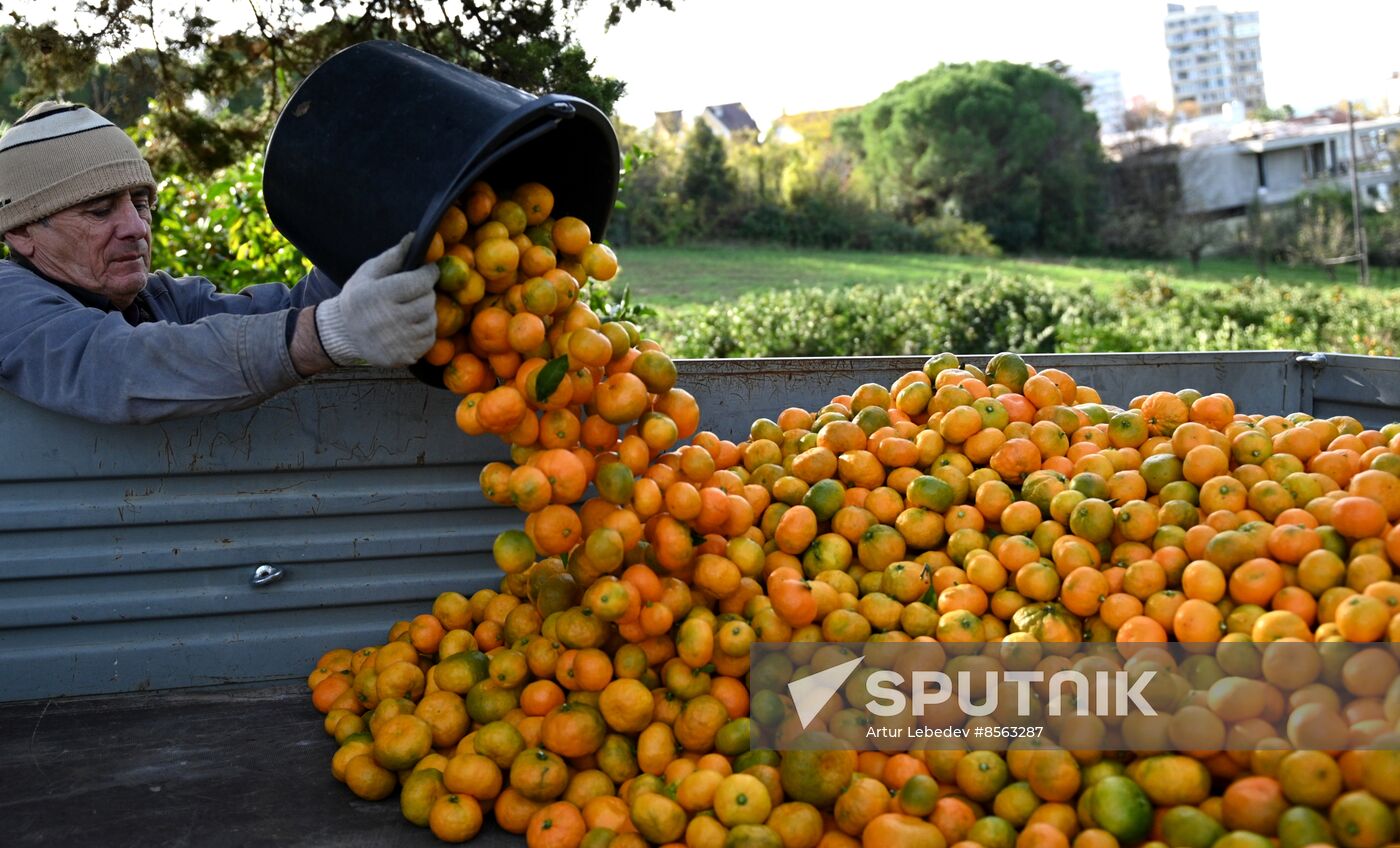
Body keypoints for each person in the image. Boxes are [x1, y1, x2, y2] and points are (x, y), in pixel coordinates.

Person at [0, 100, 439, 424]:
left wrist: (376, 246)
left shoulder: (161, 300)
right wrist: (327, 333)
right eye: (99, 211)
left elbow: (282, 314)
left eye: (141, 203)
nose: (136, 228)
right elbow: (116, 365)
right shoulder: (8, 302)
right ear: (21, 232)